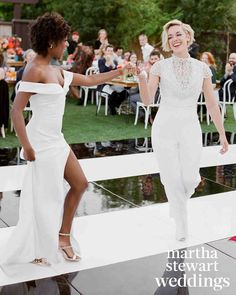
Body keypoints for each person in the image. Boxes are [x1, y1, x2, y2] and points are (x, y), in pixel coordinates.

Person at [0, 12, 130, 267]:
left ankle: (63, 237)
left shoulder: (55, 70)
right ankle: (40, 246)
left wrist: (120, 69)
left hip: (56, 140)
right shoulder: (33, 70)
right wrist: (26, 146)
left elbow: (91, 80)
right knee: (45, 197)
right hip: (39, 142)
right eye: (64, 40)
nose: (67, 45)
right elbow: (16, 110)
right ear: (51, 41)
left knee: (80, 184)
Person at [138, 19, 228, 241]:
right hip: (164, 127)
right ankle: (182, 221)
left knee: (190, 179)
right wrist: (141, 78)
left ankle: (176, 204)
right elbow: (148, 100)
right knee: (171, 177)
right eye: (170, 36)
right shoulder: (159, 66)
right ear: (167, 42)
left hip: (190, 127)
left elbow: (211, 104)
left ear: (188, 36)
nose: (175, 39)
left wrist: (223, 135)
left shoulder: (202, 69)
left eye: (178, 34)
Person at [97, 44, 128, 115]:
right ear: (105, 51)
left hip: (113, 83)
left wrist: (113, 65)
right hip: (103, 83)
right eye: (108, 50)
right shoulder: (101, 60)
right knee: (113, 94)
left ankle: (113, 106)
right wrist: (107, 63)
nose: (110, 52)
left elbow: (117, 72)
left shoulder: (115, 61)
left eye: (111, 51)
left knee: (125, 93)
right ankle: (112, 109)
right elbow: (102, 72)